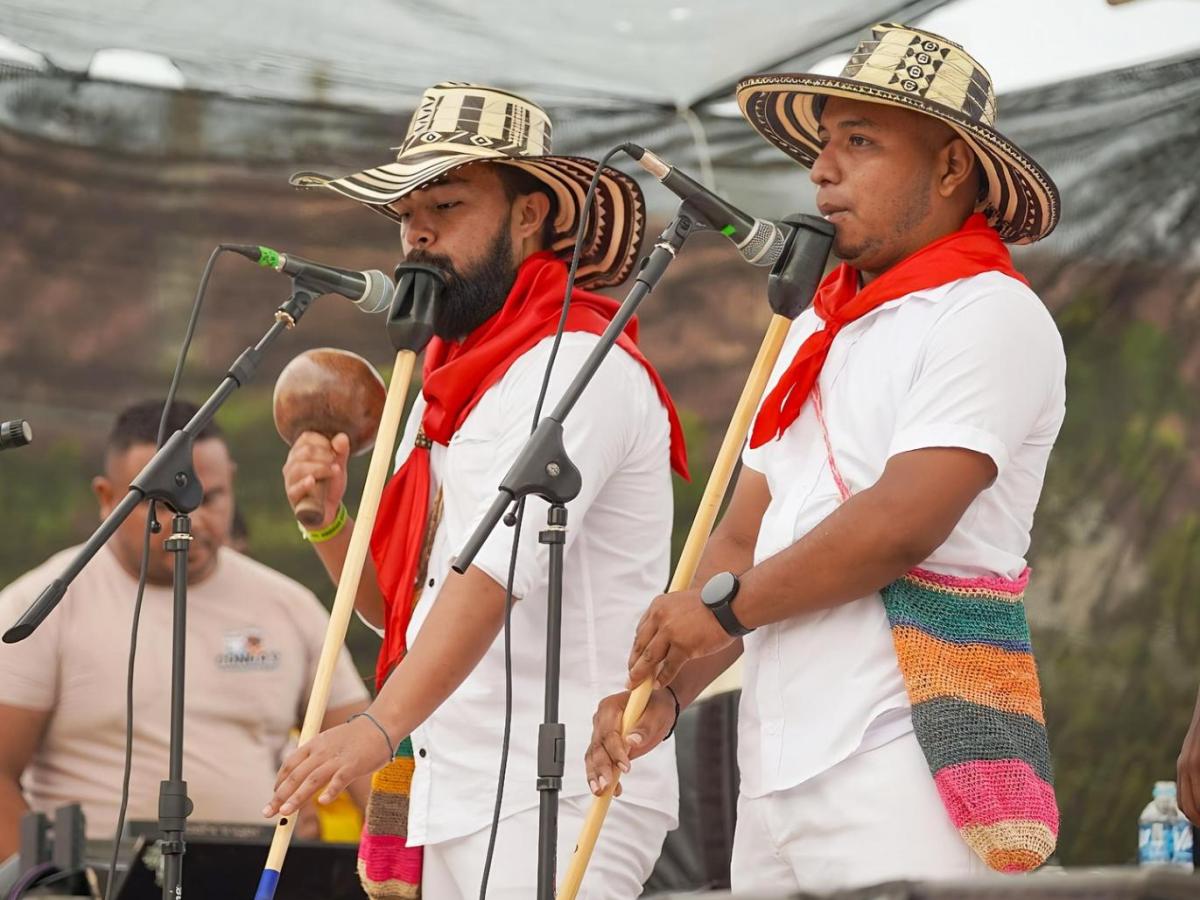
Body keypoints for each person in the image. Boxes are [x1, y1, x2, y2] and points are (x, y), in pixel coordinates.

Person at [586, 22, 1066, 893]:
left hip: (908, 757)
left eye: (860, 141)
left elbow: (899, 525)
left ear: (952, 166)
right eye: (823, 143)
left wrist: (719, 614)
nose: (821, 169)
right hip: (774, 771)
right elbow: (743, 532)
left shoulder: (991, 313)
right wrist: (670, 688)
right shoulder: (815, 321)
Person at [263, 84, 687, 898]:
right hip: (452, 784)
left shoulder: (570, 364)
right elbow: (406, 612)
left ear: (529, 217)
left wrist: (378, 724)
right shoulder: (440, 384)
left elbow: (488, 581)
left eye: (447, 204)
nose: (416, 231)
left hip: (560, 788)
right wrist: (330, 526)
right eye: (405, 213)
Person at [0, 399, 370, 857]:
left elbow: (365, 754)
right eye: (159, 501)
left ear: (232, 482)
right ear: (106, 498)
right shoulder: (39, 606)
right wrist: (47, 886)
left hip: (264, 882)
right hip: (101, 884)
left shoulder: (289, 605)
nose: (189, 518)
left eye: (209, 497)